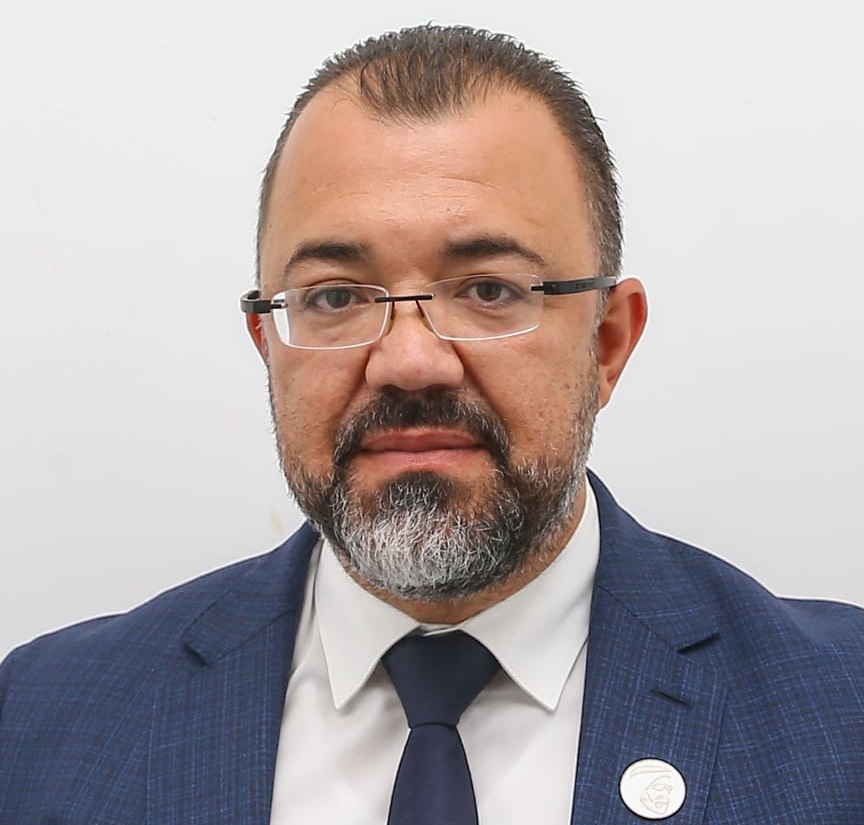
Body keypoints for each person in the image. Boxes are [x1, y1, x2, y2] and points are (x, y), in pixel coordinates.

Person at [1, 23, 862, 824]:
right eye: (335, 297)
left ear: (607, 342)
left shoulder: (840, 714)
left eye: (489, 290)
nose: (410, 362)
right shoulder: (42, 721)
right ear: (269, 344)